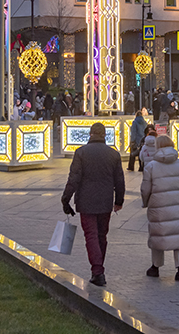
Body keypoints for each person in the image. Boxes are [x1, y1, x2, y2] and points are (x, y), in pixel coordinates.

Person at [62, 123, 125, 287]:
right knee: (102, 235)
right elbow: (119, 180)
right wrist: (119, 200)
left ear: (90, 134)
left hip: (86, 201)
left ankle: (97, 271)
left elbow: (74, 178)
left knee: (91, 235)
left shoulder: (81, 153)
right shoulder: (113, 154)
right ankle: (98, 269)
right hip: (105, 201)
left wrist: (66, 198)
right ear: (104, 135)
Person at [140, 135, 179, 281]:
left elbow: (145, 189)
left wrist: (145, 203)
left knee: (158, 236)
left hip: (158, 207)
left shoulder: (151, 166)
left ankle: (155, 267)